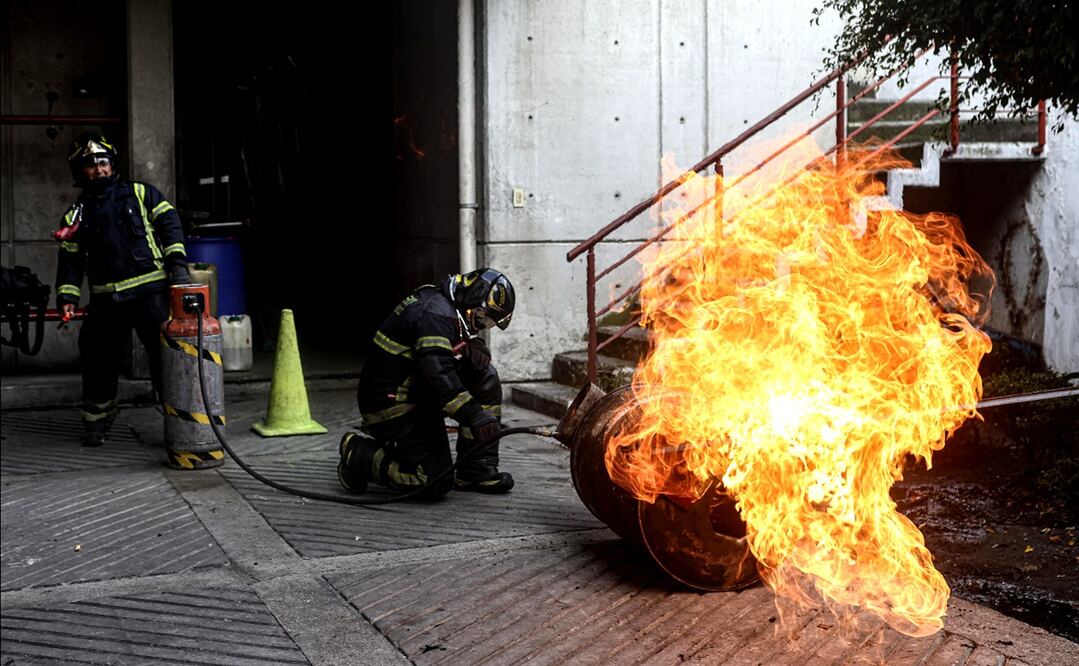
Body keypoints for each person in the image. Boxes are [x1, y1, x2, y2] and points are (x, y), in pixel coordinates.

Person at [54, 132, 190, 447]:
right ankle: (97, 421)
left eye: (104, 162)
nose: (99, 169)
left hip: (149, 293)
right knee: (96, 357)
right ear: (79, 171)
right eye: (90, 164)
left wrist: (178, 265)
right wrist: (67, 298)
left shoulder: (141, 193)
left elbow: (170, 223)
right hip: (106, 299)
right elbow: (71, 260)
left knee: (165, 359)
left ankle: (181, 423)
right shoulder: (76, 214)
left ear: (113, 164)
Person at [338, 268, 517, 498]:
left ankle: (476, 468)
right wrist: (474, 415)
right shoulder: (435, 314)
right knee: (433, 481)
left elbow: (438, 360)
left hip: (415, 392)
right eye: (482, 318)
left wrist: (471, 346)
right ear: (472, 299)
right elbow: (438, 376)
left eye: (488, 324)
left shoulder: (444, 305)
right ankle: (358, 453)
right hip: (390, 405)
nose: (481, 326)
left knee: (484, 375)